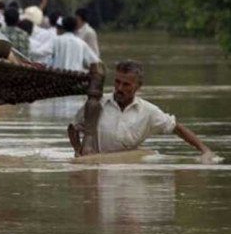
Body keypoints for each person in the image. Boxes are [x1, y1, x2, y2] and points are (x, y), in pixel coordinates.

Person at [68, 60, 214, 160]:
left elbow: (176, 128)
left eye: (126, 85)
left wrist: (204, 150)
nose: (119, 88)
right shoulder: (96, 104)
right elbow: (73, 127)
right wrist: (77, 149)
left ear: (138, 86)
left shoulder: (148, 112)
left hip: (128, 167)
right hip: (97, 165)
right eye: (117, 82)